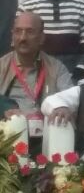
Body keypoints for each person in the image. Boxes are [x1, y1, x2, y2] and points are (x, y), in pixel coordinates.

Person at [0, 12, 73, 147]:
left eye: (29, 32)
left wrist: (63, 106)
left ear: (41, 37)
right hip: (10, 137)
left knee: (63, 123)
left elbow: (69, 95)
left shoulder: (56, 68)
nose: (23, 37)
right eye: (18, 31)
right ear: (12, 36)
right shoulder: (1, 66)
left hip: (48, 135)